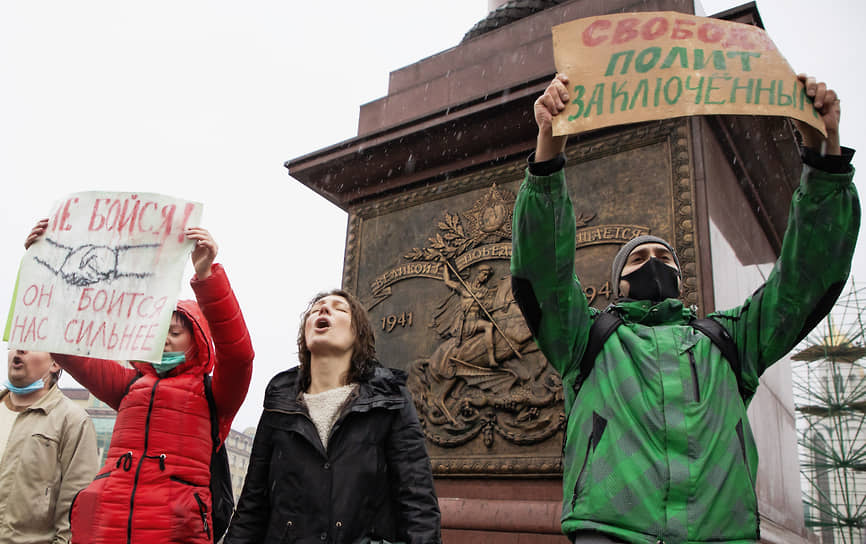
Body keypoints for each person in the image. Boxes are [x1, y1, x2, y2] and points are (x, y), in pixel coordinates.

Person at [510, 72, 859, 543]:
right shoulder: (586, 338)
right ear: (617, 287)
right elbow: (543, 271)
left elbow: (805, 280)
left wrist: (824, 158)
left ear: (680, 279)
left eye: (664, 258)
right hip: (612, 534)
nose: (653, 264)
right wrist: (548, 155)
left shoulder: (730, 339)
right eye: (637, 260)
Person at [23, 221, 255, 544]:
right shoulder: (131, 384)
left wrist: (207, 277)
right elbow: (68, 347)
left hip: (174, 532)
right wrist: (44, 267)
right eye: (160, 333)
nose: (165, 342)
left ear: (198, 342)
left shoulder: (213, 394)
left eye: (175, 334)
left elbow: (239, 356)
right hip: (108, 530)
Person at [225, 289, 441, 544]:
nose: (323, 310)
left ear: (358, 334)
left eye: (339, 308)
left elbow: (418, 503)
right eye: (315, 309)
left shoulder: (391, 399)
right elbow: (252, 505)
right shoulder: (278, 402)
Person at [0, 349, 98, 544]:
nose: (20, 349)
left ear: (55, 364)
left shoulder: (72, 421)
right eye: (17, 341)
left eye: (32, 343)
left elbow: (75, 510)